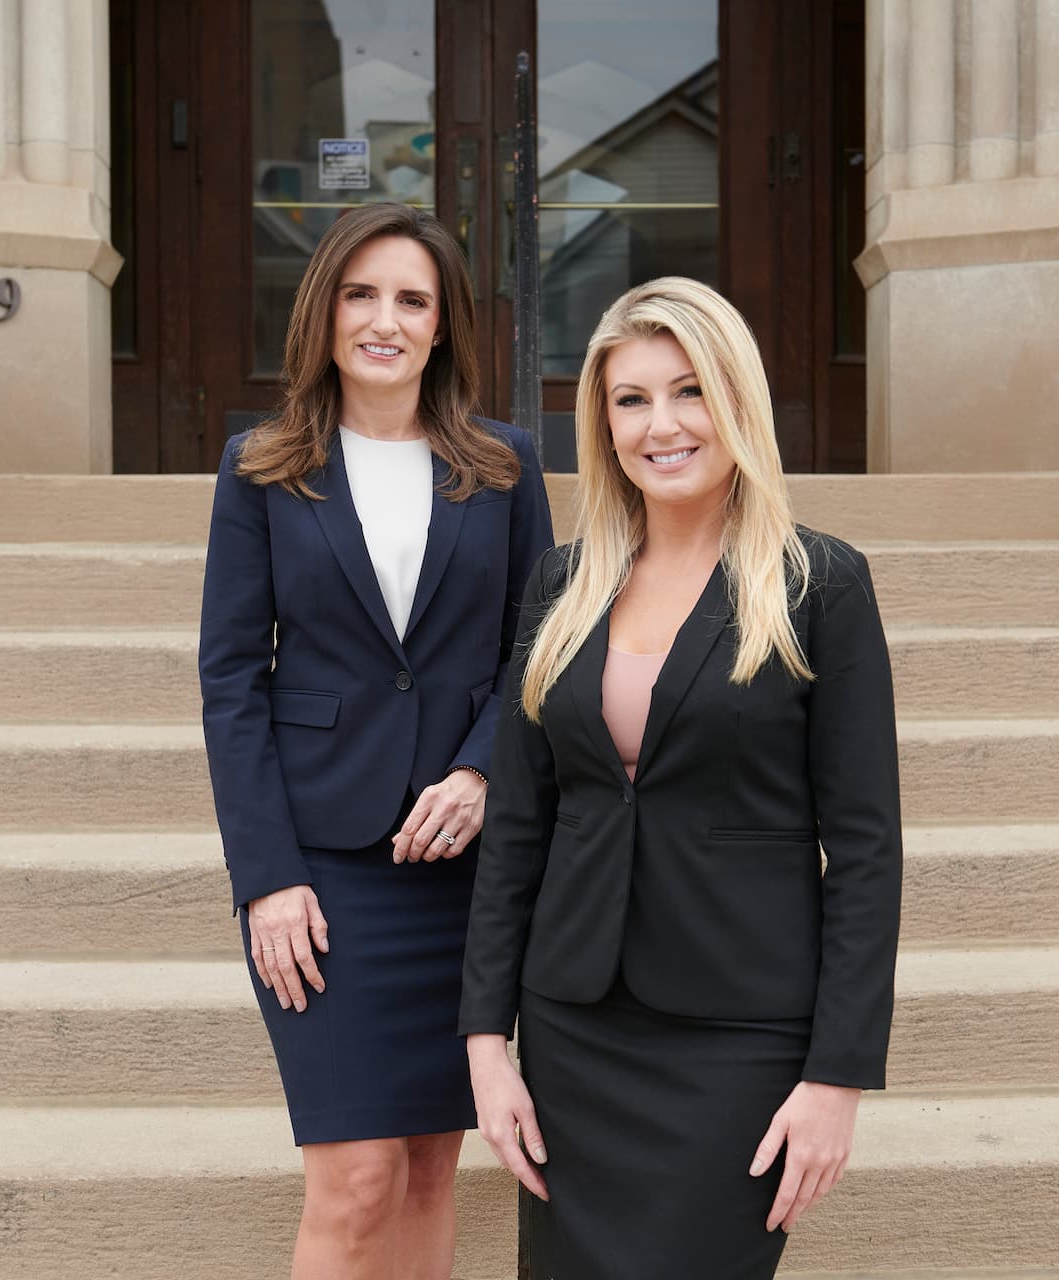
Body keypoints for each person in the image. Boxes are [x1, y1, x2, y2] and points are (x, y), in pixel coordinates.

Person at [458, 277, 902, 1278]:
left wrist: (836, 1074)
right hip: (575, 1027)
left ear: (735, 399)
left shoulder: (819, 585)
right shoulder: (563, 584)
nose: (660, 424)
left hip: (739, 1035)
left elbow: (867, 847)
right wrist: (488, 1039)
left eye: (688, 390)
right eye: (630, 399)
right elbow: (521, 825)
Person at [200, 201, 554, 1279]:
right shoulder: (261, 466)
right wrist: (266, 877)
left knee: (432, 1168)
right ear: (326, 310)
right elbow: (230, 680)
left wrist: (484, 767)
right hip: (322, 872)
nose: (384, 320)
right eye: (361, 294)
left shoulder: (505, 464)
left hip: (462, 870)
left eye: (412, 298)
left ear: (443, 325)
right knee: (354, 1176)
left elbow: (535, 645)